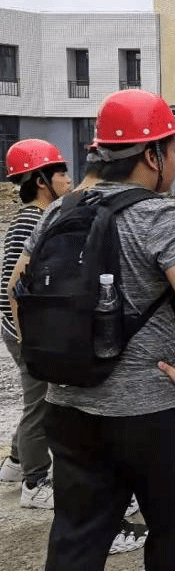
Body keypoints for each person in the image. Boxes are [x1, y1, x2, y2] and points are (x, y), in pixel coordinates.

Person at [8, 89, 175, 571]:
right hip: (155, 413)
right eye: (173, 149)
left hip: (69, 409)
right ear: (152, 155)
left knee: (77, 538)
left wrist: (51, 359)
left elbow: (16, 289)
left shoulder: (59, 211)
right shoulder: (161, 214)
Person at [1, 140, 72, 511]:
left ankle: (16, 461)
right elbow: (15, 286)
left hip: (21, 326)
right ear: (41, 181)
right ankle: (34, 482)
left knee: (36, 398)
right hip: (24, 328)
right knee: (41, 403)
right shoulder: (34, 219)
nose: (68, 179)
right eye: (61, 172)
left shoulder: (32, 216)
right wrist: (29, 337)